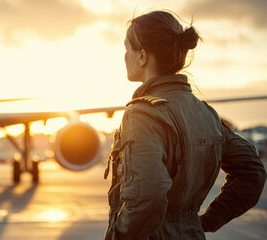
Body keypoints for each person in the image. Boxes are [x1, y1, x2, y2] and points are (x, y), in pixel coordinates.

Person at [104, 10, 266, 239]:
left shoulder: (142, 114)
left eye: (127, 48)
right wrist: (204, 221)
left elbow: (147, 196)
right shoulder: (205, 112)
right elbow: (253, 172)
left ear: (142, 56)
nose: (124, 56)